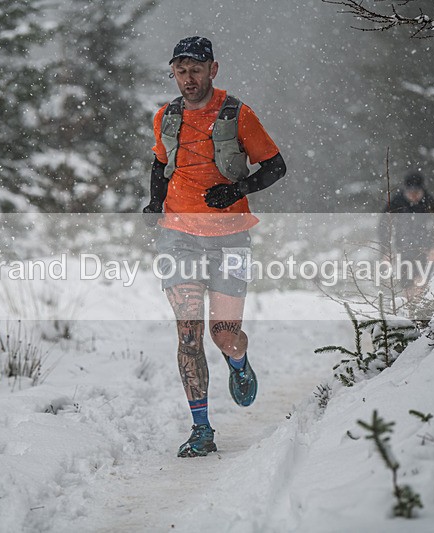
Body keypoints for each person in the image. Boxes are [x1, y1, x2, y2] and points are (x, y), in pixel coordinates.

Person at [142, 36, 287, 458]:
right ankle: (201, 429)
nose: (188, 79)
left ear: (213, 70)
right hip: (179, 235)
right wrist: (154, 203)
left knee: (225, 336)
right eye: (181, 70)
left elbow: (276, 166)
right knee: (189, 335)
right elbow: (159, 162)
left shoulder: (237, 114)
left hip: (231, 238)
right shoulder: (165, 117)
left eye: (196, 70)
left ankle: (238, 362)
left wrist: (236, 190)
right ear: (174, 72)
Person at [378, 172, 434, 298]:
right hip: (403, 248)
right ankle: (409, 308)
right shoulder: (396, 203)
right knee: (407, 283)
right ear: (405, 190)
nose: (413, 196)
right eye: (410, 193)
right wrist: (385, 250)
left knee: (422, 282)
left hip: (426, 249)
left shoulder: (431, 202)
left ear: (422, 191)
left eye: (417, 193)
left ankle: (421, 308)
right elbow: (383, 227)